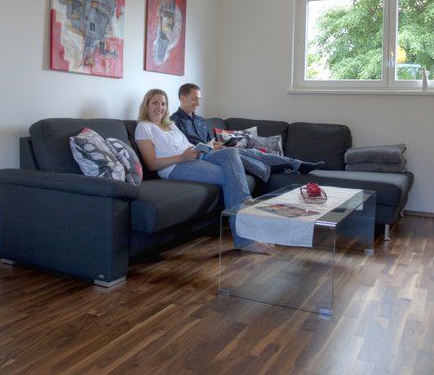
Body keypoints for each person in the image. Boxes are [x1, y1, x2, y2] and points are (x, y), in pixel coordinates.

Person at [134, 89, 271, 254]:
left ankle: (244, 202)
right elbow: (151, 164)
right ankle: (245, 236)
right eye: (155, 103)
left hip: (195, 156)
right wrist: (182, 157)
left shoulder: (170, 124)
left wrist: (205, 148)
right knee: (230, 177)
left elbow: (186, 146)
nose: (160, 107)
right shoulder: (144, 127)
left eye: (163, 103)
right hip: (176, 166)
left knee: (230, 152)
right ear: (146, 105)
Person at [169, 83, 321, 181]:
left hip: (214, 151)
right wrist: (211, 147)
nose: (198, 103)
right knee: (236, 155)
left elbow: (209, 140)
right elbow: (183, 147)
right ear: (182, 98)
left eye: (199, 99)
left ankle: (296, 164)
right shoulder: (174, 122)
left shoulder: (199, 120)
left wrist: (218, 144)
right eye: (194, 99)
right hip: (202, 157)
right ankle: (281, 167)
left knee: (253, 152)